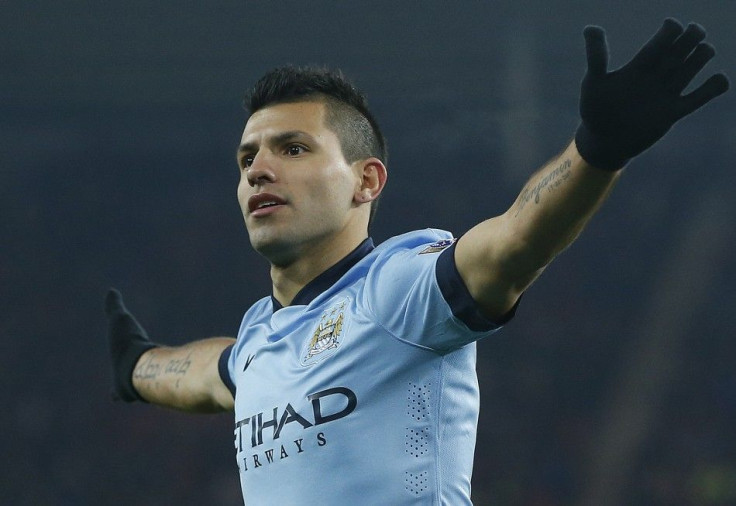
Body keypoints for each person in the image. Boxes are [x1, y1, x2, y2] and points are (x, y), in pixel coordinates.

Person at [104, 18, 729, 504]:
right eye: (246, 159)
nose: (259, 169)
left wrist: (597, 150)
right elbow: (198, 375)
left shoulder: (397, 289)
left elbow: (514, 243)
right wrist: (136, 367)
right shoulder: (259, 341)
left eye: (293, 148)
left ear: (366, 181)